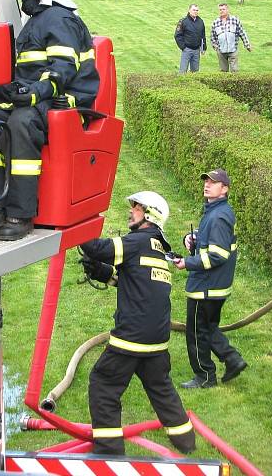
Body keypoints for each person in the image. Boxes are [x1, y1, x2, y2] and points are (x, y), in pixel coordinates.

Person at [0, 0, 98, 241]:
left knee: (20, 124)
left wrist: (36, 93)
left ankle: (20, 215)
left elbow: (63, 68)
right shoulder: (36, 22)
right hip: (33, 101)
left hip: (63, 102)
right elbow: (23, 75)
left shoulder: (60, 19)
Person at [80, 191, 196, 456]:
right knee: (161, 388)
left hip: (130, 338)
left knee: (104, 384)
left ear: (149, 214)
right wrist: (102, 272)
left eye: (136, 207)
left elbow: (97, 248)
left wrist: (77, 224)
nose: (131, 211)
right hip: (157, 341)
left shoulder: (137, 241)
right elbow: (134, 284)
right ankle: (186, 441)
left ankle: (109, 452)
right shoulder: (158, 249)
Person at [171, 168, 246, 389]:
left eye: (213, 182)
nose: (207, 185)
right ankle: (232, 359)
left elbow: (218, 254)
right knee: (208, 328)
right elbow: (212, 242)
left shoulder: (219, 216)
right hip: (214, 285)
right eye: (206, 181)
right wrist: (192, 238)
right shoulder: (216, 211)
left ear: (224, 189)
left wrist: (188, 262)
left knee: (196, 333)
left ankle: (204, 376)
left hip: (206, 286)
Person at [210, 3, 250, 72]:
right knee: (223, 71)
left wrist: (247, 45)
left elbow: (242, 33)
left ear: (228, 10)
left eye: (223, 9)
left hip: (233, 49)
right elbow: (213, 37)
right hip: (221, 50)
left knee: (234, 70)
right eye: (220, 10)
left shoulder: (235, 20)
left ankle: (235, 82)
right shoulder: (216, 22)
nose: (221, 11)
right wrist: (216, 47)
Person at [174, 4, 207, 74]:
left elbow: (203, 36)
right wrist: (183, 47)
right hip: (187, 50)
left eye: (197, 10)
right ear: (189, 10)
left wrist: (203, 48)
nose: (195, 12)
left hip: (196, 51)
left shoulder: (201, 21)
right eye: (194, 10)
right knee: (182, 71)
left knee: (195, 72)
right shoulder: (183, 21)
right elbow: (177, 35)